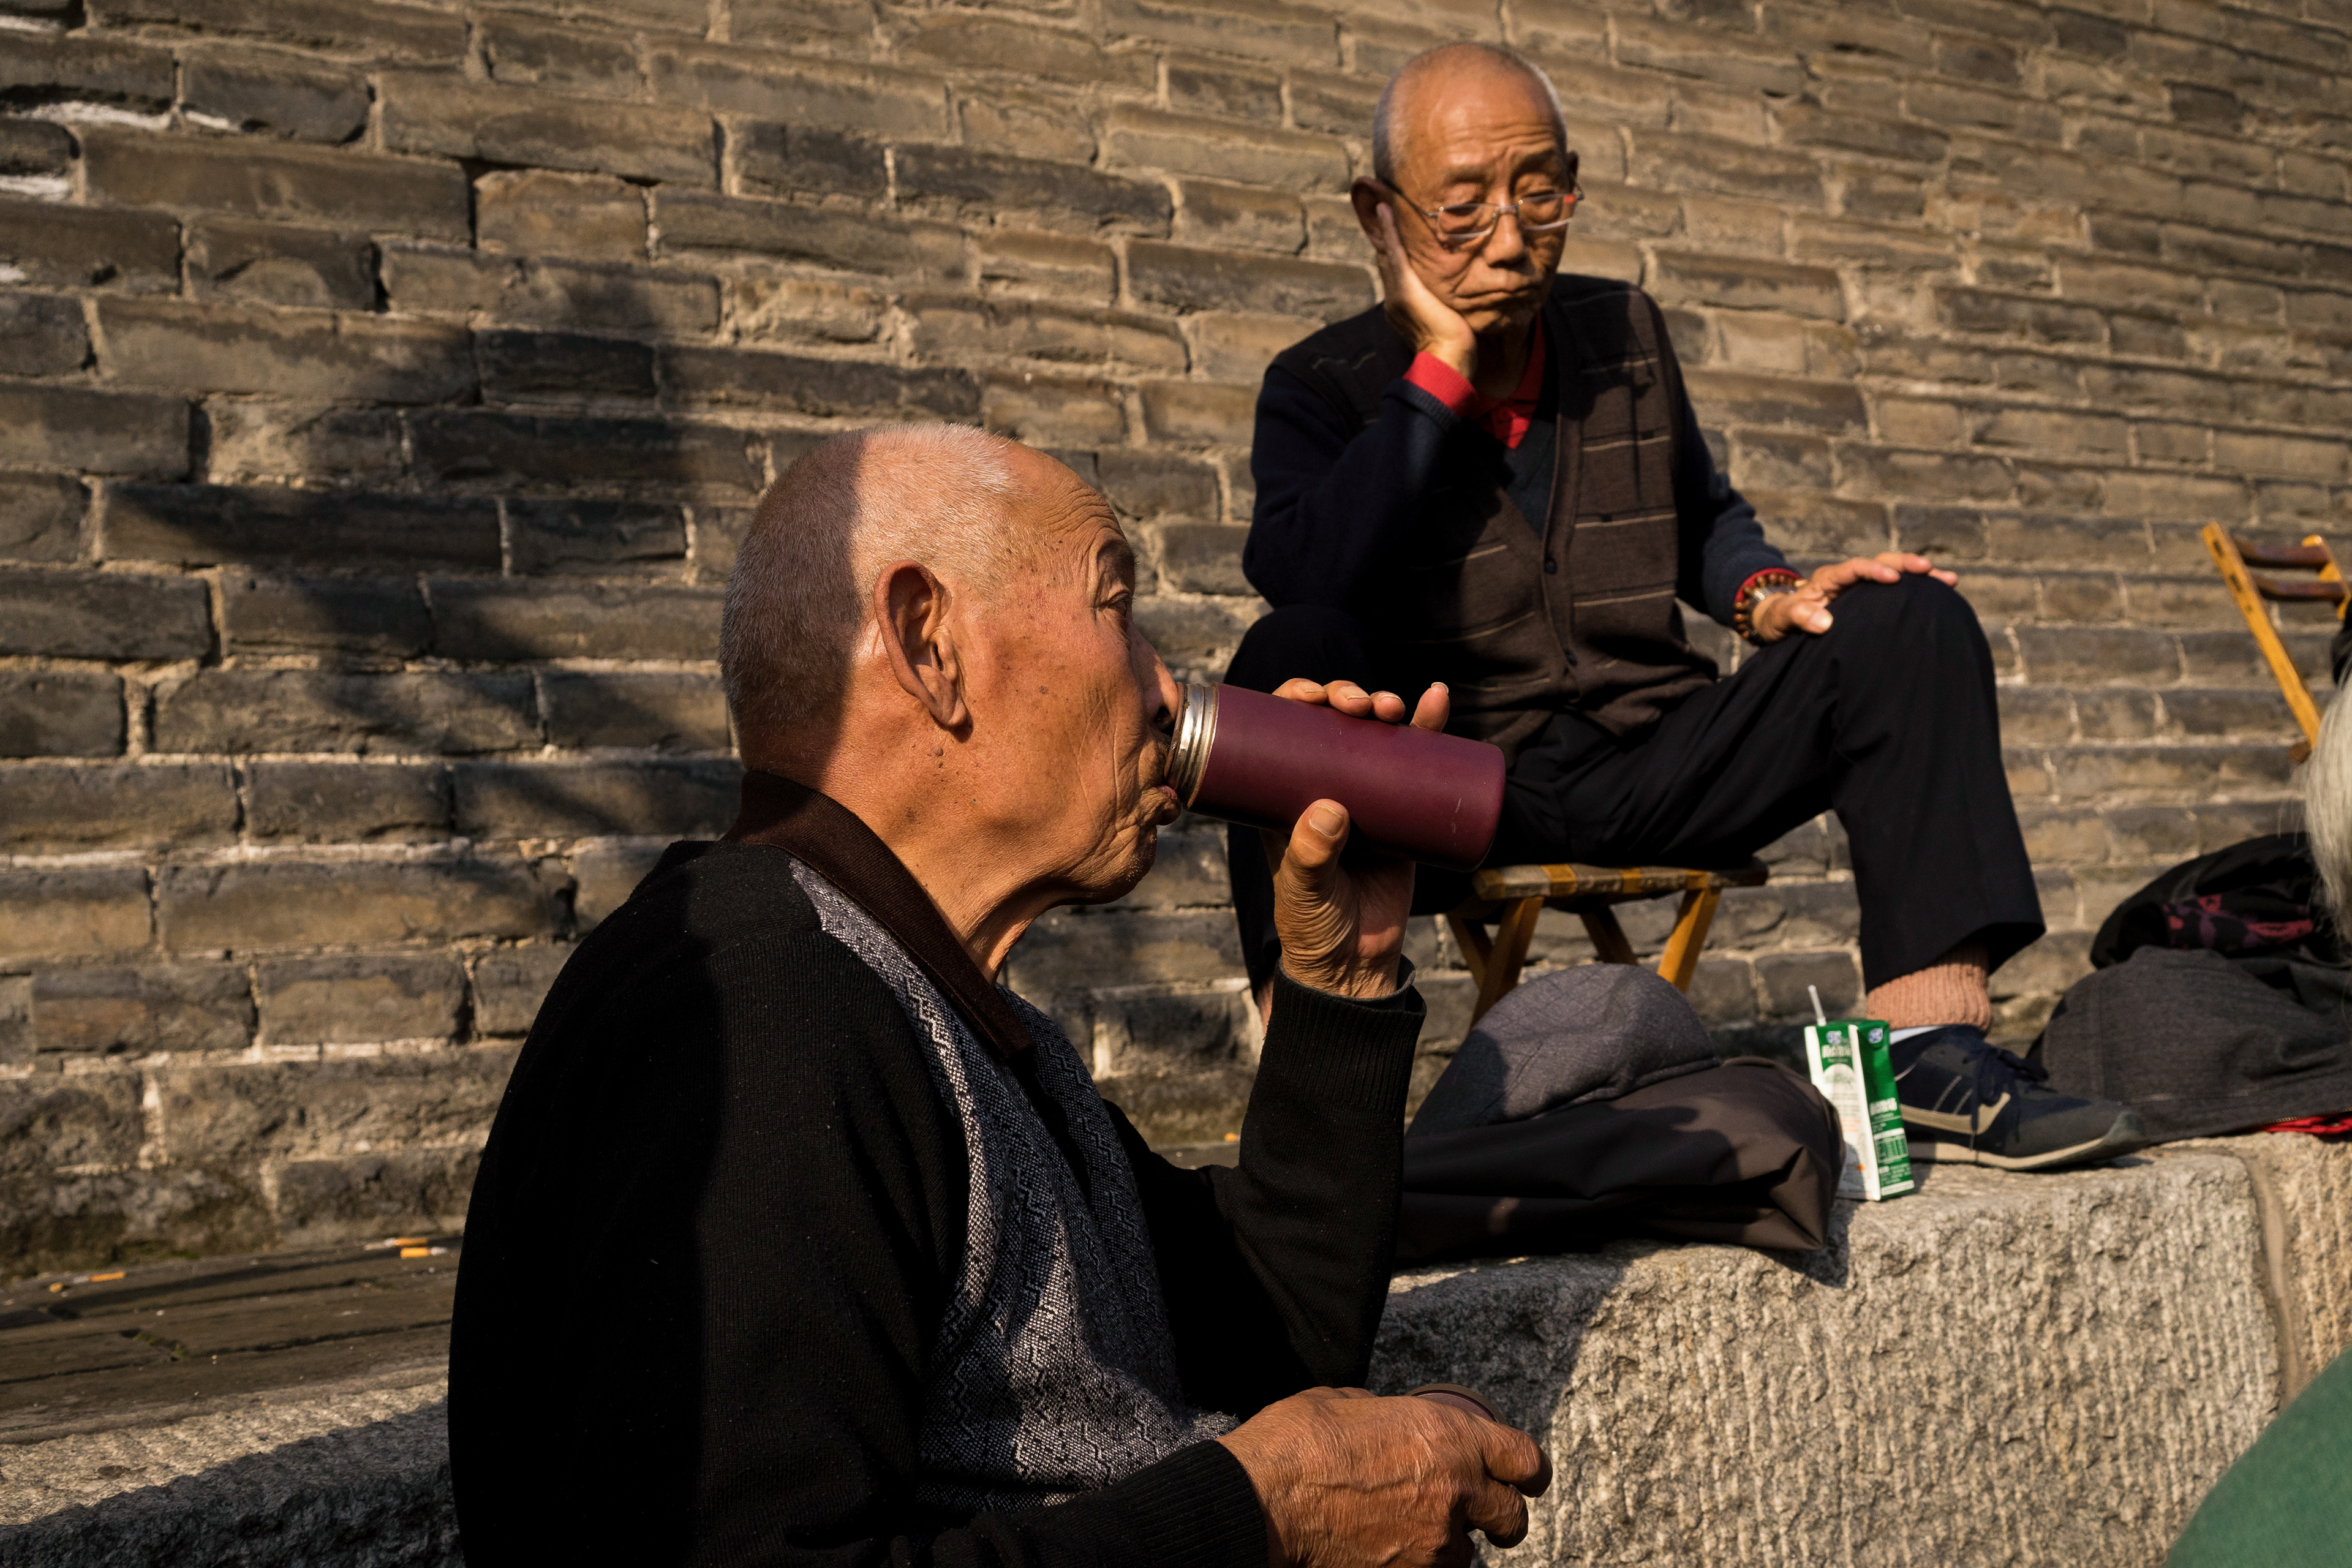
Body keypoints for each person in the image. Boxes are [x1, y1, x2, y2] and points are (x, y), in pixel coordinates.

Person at [448, 424, 1551, 1568]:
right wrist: (1259, 1516)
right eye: (1117, 606)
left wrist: (1340, 978)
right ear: (931, 643)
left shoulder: (951, 1014)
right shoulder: (754, 1010)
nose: (1168, 685)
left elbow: (1272, 1345)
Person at [1233, 40, 2148, 1173]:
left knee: (1907, 617)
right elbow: (1305, 571)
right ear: (1381, 215)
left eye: (1541, 191)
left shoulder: (1626, 331)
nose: (1513, 237)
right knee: (1288, 656)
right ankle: (1315, 1104)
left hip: (1652, 756)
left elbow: (1704, 516)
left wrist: (1768, 594)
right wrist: (1441, 372)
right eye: (1465, 208)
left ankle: (1929, 1050)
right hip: (1457, 787)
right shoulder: (1318, 386)